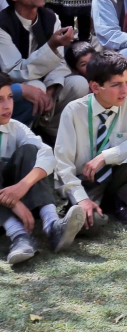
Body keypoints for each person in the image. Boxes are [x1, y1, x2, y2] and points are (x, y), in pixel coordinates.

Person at [53, 52, 127, 232]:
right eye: (116, 85)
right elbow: (62, 165)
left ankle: (122, 203)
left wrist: (105, 156)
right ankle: (85, 207)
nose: (125, 90)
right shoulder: (74, 111)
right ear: (95, 87)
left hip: (117, 176)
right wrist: (81, 198)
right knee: (90, 225)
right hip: (86, 181)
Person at [1, 74, 85, 265]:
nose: (7, 106)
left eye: (10, 98)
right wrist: (14, 203)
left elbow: (48, 155)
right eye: (0, 100)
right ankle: (19, 236)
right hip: (6, 207)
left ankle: (52, 225)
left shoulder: (15, 127)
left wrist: (22, 186)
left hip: (12, 195)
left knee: (31, 151)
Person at [0, 0, 88, 134]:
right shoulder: (2, 24)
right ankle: (25, 136)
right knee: (35, 86)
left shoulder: (50, 17)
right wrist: (51, 45)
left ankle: (55, 134)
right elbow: (14, 72)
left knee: (78, 84)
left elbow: (60, 63)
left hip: (46, 84)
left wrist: (50, 90)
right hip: (14, 88)